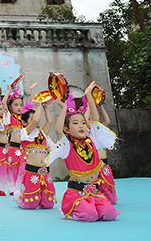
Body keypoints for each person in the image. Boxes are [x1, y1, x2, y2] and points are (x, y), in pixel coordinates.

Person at [47, 82, 119, 222]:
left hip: (95, 191)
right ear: (67, 129)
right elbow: (57, 129)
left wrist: (88, 96)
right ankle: (71, 211)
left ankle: (94, 205)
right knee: (90, 215)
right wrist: (63, 108)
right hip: (77, 193)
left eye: (83, 123)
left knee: (109, 214)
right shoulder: (67, 145)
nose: (81, 125)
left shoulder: (92, 139)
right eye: (75, 123)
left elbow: (95, 119)